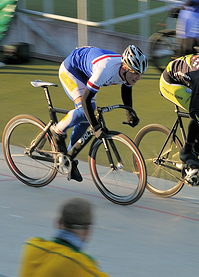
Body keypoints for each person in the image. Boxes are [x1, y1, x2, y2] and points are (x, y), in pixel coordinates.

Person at [50, 45, 148, 182]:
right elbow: (85, 100)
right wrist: (95, 127)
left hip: (88, 72)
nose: (139, 78)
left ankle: (69, 157)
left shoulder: (127, 73)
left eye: (141, 73)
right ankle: (57, 130)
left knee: (86, 119)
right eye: (136, 73)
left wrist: (130, 112)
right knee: (85, 111)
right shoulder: (106, 70)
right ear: (125, 68)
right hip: (71, 69)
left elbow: (126, 90)